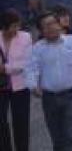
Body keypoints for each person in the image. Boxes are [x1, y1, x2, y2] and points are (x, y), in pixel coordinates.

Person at [26, 12, 72, 151]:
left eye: (53, 23)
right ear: (41, 31)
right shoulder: (37, 48)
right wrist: (33, 86)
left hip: (71, 96)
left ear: (59, 24)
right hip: (49, 98)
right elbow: (31, 69)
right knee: (57, 137)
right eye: (46, 26)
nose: (51, 28)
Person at [0, 9, 31, 151]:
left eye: (18, 25)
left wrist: (6, 68)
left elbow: (27, 62)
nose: (17, 29)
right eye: (13, 26)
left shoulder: (26, 37)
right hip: (1, 87)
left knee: (21, 122)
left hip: (20, 86)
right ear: (5, 26)